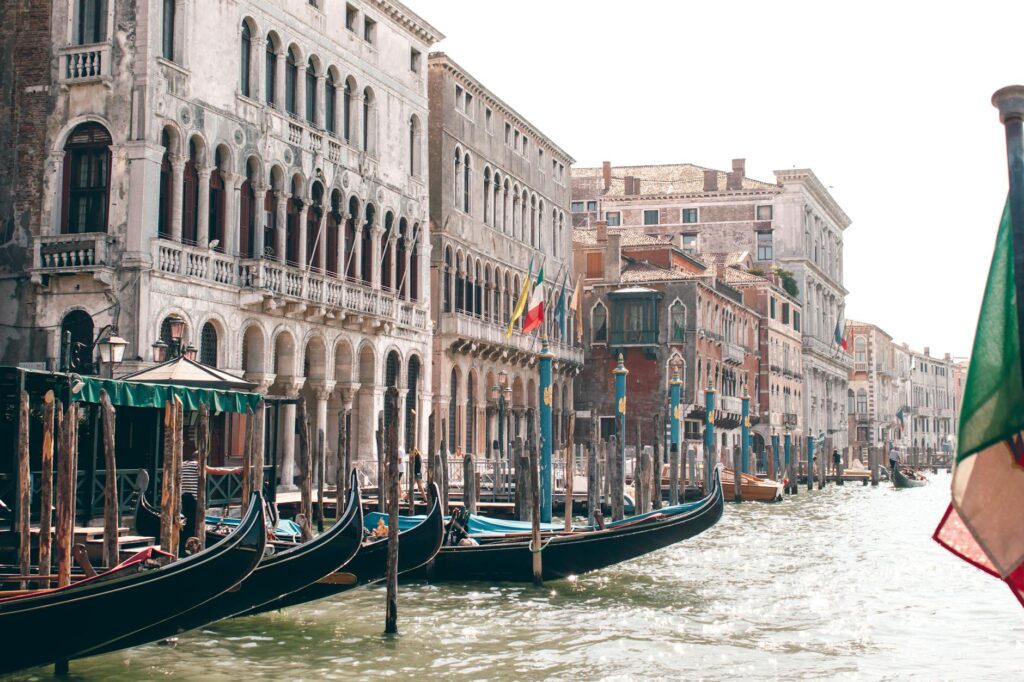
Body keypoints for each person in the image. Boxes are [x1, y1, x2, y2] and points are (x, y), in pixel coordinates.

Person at [180, 450, 242, 546]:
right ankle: (189, 543)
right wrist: (233, 470)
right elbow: (215, 471)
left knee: (188, 520)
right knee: (193, 522)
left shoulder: (182, 464)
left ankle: (186, 542)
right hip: (193, 498)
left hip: (183, 497)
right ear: (201, 459)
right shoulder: (197, 464)